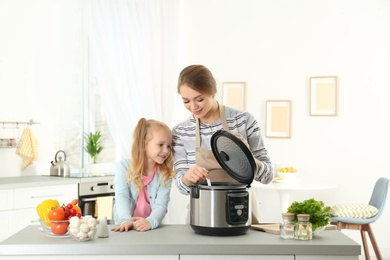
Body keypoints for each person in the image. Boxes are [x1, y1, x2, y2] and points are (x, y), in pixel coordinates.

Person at [172, 64, 273, 223]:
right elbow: (181, 186)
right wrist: (186, 178)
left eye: (199, 99)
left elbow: (268, 176)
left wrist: (248, 159)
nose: (193, 107)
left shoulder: (243, 121)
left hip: (242, 212)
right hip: (202, 213)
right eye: (186, 101)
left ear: (212, 92)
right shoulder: (181, 132)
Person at [112, 118, 174, 232]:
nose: (166, 150)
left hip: (151, 228)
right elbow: (122, 196)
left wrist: (150, 222)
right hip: (126, 227)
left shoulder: (165, 173)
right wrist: (126, 220)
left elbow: (161, 204)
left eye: (169, 146)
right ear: (144, 145)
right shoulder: (124, 167)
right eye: (161, 145)